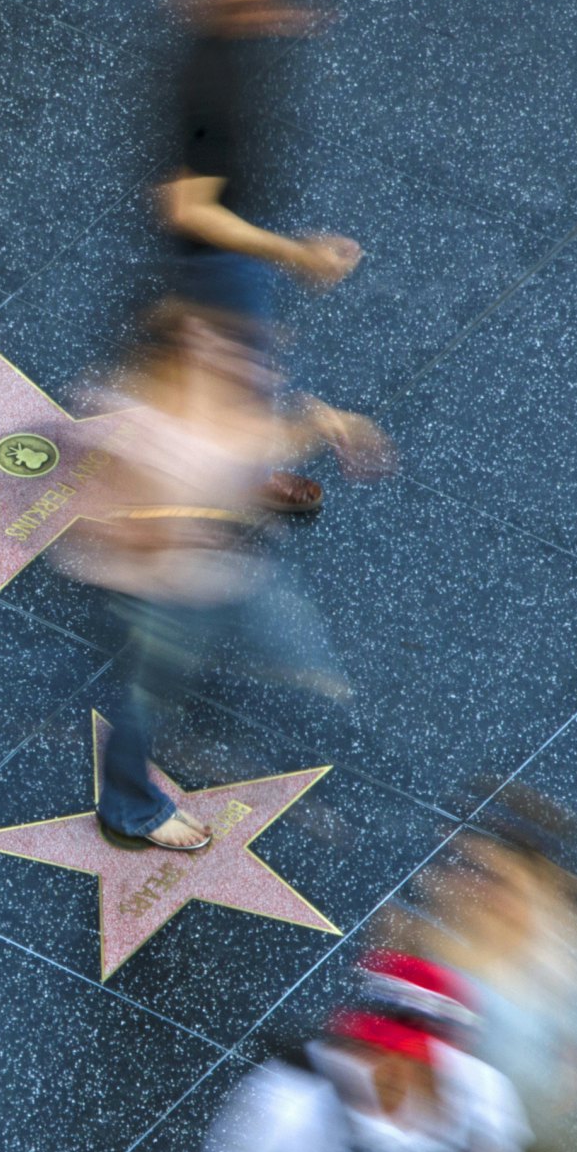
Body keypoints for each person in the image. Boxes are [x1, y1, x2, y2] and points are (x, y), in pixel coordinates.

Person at [59, 303, 390, 850]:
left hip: (225, 563)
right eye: (208, 355)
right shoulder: (131, 433)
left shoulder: (213, 398)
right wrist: (171, 525)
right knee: (147, 692)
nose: (247, 370)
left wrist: (328, 424)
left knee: (275, 621)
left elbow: (253, 439)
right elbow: (113, 528)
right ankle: (127, 806)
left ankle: (303, 679)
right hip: (160, 587)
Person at [159, 0, 357, 515]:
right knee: (241, 366)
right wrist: (298, 255)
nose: (306, 17)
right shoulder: (212, 84)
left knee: (232, 359)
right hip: (220, 260)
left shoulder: (224, 48)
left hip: (228, 255)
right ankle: (241, 475)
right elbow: (191, 210)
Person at [394, 790, 577, 1152]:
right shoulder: (433, 940)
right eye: (462, 865)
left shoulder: (565, 939)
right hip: (473, 1127)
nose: (471, 882)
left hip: (555, 1121)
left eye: (490, 873)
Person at [203, 950, 530, 1152]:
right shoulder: (286, 1101)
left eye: (413, 1055)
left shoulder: (482, 1089)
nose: (389, 1064)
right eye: (375, 1046)